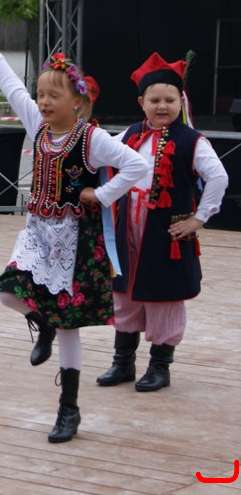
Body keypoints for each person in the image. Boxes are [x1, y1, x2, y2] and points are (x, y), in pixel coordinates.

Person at [0, 7, 149, 442]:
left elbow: (137, 166)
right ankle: (45, 322)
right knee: (7, 292)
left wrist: (102, 194)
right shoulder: (38, 127)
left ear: (77, 101)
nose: (43, 102)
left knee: (70, 324)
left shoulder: (92, 138)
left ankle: (68, 409)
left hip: (74, 239)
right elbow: (12, 87)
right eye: (41, 94)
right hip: (37, 231)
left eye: (53, 95)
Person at [96, 52, 228, 392]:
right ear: (142, 102)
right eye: (154, 100)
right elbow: (99, 156)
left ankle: (159, 367)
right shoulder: (129, 135)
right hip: (128, 227)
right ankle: (123, 363)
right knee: (124, 293)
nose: (162, 106)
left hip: (166, 233)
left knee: (164, 298)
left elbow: (218, 178)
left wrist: (199, 219)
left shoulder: (192, 141)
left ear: (180, 101)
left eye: (169, 100)